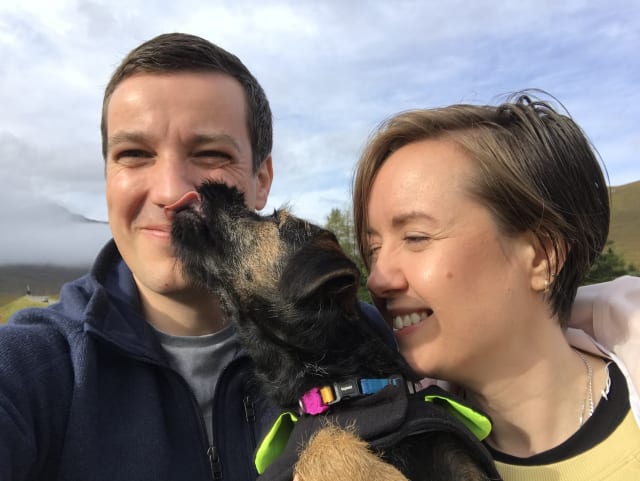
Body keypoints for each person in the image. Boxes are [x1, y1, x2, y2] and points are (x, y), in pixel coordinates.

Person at [0, 32, 285, 481]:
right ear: (108, 177)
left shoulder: (355, 339)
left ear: (261, 180)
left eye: (211, 154)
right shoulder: (30, 368)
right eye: (133, 154)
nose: (171, 191)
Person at [349, 93, 640, 480]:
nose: (376, 278)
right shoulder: (390, 463)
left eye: (416, 237)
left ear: (541, 256)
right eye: (373, 249)